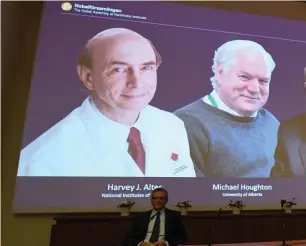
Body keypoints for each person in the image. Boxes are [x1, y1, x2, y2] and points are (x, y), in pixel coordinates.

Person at [17, 28, 196, 177]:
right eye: (119, 69)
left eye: (146, 67)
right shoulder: (41, 161)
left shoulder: (173, 126)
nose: (137, 82)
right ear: (88, 78)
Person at [174, 40, 280, 177]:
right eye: (244, 77)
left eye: (263, 81)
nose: (254, 89)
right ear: (220, 72)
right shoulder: (184, 124)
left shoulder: (272, 123)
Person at [123, 187, 188, 246]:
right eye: (155, 198)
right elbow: (128, 238)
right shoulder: (141, 217)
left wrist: (166, 243)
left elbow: (183, 237)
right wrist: (141, 243)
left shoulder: (174, 216)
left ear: (166, 200)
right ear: (151, 200)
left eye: (161, 198)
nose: (158, 201)